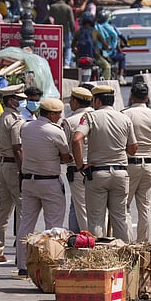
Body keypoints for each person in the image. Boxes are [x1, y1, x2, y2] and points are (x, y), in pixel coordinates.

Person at [72, 84, 138, 240]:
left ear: (97, 101)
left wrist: (80, 165)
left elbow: (76, 139)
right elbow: (133, 148)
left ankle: (98, 257)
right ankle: (124, 256)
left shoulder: (90, 117)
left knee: (96, 220)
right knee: (120, 218)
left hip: (98, 173)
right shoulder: (124, 118)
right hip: (121, 173)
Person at [15, 98, 73, 273]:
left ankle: (23, 265)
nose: (59, 117)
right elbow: (64, 156)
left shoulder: (25, 127)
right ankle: (51, 262)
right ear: (52, 114)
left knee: (26, 224)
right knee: (54, 226)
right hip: (49, 181)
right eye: (58, 114)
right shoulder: (55, 131)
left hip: (28, 180)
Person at [122, 82, 151, 244]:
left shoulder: (125, 114)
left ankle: (126, 241)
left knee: (124, 206)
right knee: (145, 207)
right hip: (147, 164)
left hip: (128, 164)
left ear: (131, 96)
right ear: (146, 98)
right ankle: (143, 242)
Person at [0, 84, 25, 263]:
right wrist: (24, 170)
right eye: (19, 99)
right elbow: (17, 148)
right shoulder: (15, 120)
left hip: (2, 165)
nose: (21, 102)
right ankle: (22, 251)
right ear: (11, 101)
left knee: (3, 210)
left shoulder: (0, 119)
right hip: (13, 166)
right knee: (23, 209)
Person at [62, 86, 94, 232]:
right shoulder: (99, 116)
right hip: (99, 168)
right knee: (98, 209)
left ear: (75, 102)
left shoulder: (70, 121)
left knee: (82, 209)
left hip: (78, 169)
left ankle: (89, 242)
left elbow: (66, 147)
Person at [74, 15, 110, 79]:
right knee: (107, 67)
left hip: (80, 58)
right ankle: (104, 84)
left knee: (76, 71)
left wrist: (76, 51)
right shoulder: (96, 32)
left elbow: (72, 46)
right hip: (95, 57)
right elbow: (105, 45)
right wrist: (107, 47)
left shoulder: (77, 32)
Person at [96, 11, 126, 78]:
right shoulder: (112, 28)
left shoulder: (95, 27)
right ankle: (121, 76)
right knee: (122, 57)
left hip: (96, 54)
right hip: (109, 54)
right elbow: (116, 41)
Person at [49, 0, 77, 66]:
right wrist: (73, 31)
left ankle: (57, 62)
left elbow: (48, 18)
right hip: (66, 30)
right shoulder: (68, 8)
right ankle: (66, 63)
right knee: (68, 47)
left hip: (55, 31)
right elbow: (71, 22)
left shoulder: (53, 7)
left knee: (57, 47)